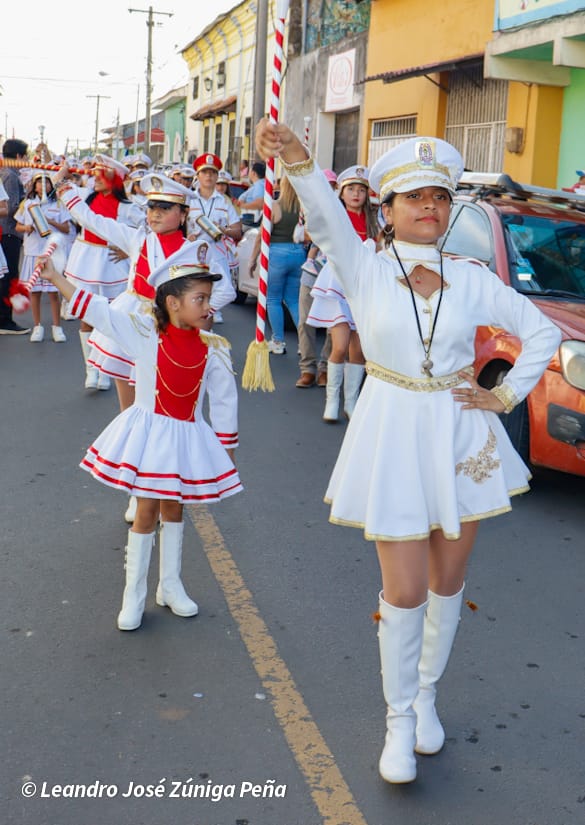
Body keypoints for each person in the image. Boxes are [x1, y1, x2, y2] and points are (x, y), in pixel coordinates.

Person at [256, 120, 561, 785]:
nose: (428, 206)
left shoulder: (472, 278)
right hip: (393, 426)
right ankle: (397, 718)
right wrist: (298, 157)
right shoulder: (361, 264)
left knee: (447, 582)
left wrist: (504, 395)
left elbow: (538, 331)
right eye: (413, 197)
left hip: (458, 434)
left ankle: (425, 695)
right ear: (387, 210)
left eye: (439, 197)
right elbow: (321, 207)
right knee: (404, 587)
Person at [38, 241, 242, 632]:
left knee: (176, 507)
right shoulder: (143, 333)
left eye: (209, 298)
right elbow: (97, 309)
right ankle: (133, 596)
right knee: (146, 510)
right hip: (151, 434)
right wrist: (56, 277)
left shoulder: (214, 349)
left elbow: (225, 401)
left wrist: (227, 450)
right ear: (172, 303)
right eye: (199, 298)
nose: (208, 306)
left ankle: (170, 585)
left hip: (188, 436)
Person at [57, 154, 144, 391]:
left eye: (101, 174)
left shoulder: (128, 207)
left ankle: (106, 368)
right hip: (85, 261)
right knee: (86, 318)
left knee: (109, 318)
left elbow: (146, 231)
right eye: (94, 174)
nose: (95, 178)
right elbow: (65, 194)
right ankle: (90, 370)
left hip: (112, 265)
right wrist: (62, 174)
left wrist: (129, 251)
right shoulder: (85, 197)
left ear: (115, 179)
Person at [307, 165, 379, 420]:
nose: (356, 194)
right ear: (341, 192)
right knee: (339, 345)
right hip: (337, 284)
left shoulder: (375, 221)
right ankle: (331, 402)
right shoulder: (335, 217)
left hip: (364, 286)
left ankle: (351, 402)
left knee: (358, 350)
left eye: (361, 189)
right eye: (351, 189)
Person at [248, 175, 307, 354]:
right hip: (298, 253)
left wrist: (253, 259)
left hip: (277, 253)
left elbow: (262, 236)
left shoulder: (274, 206)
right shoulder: (302, 209)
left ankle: (278, 341)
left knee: (273, 299)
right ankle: (303, 344)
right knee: (294, 300)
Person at [14, 172, 72, 342]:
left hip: (52, 254)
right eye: (39, 182)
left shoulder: (59, 204)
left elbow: (66, 228)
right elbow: (17, 225)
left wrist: (49, 221)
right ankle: (38, 326)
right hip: (33, 252)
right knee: (35, 292)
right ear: (34, 185)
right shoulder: (28, 203)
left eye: (46, 182)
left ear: (51, 186)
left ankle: (57, 327)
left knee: (54, 292)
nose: (42, 186)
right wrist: (27, 228)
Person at [295, 168, 337, 388]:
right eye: (324, 186)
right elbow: (300, 235)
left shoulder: (341, 211)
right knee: (304, 321)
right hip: (312, 270)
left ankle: (324, 368)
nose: (327, 190)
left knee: (333, 325)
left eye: (331, 186)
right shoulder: (308, 208)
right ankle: (307, 368)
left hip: (335, 273)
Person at [188, 153, 241, 324]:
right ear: (198, 176)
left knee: (221, 287)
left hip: (217, 251)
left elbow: (237, 230)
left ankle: (212, 311)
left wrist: (223, 230)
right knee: (193, 287)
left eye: (212, 172)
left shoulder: (224, 202)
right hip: (193, 251)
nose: (208, 176)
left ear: (217, 176)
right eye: (205, 172)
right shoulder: (189, 200)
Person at [0, 138, 30, 335]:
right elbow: (9, 207)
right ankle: (5, 320)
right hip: (9, 232)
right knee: (9, 277)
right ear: (18, 156)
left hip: (9, 232)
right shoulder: (10, 175)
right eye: (25, 156)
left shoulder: (9, 173)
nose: (27, 159)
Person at [235, 161, 266, 225]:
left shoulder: (259, 185)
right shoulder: (260, 184)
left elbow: (260, 203)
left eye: (250, 170)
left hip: (250, 221)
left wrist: (242, 205)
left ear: (254, 173)